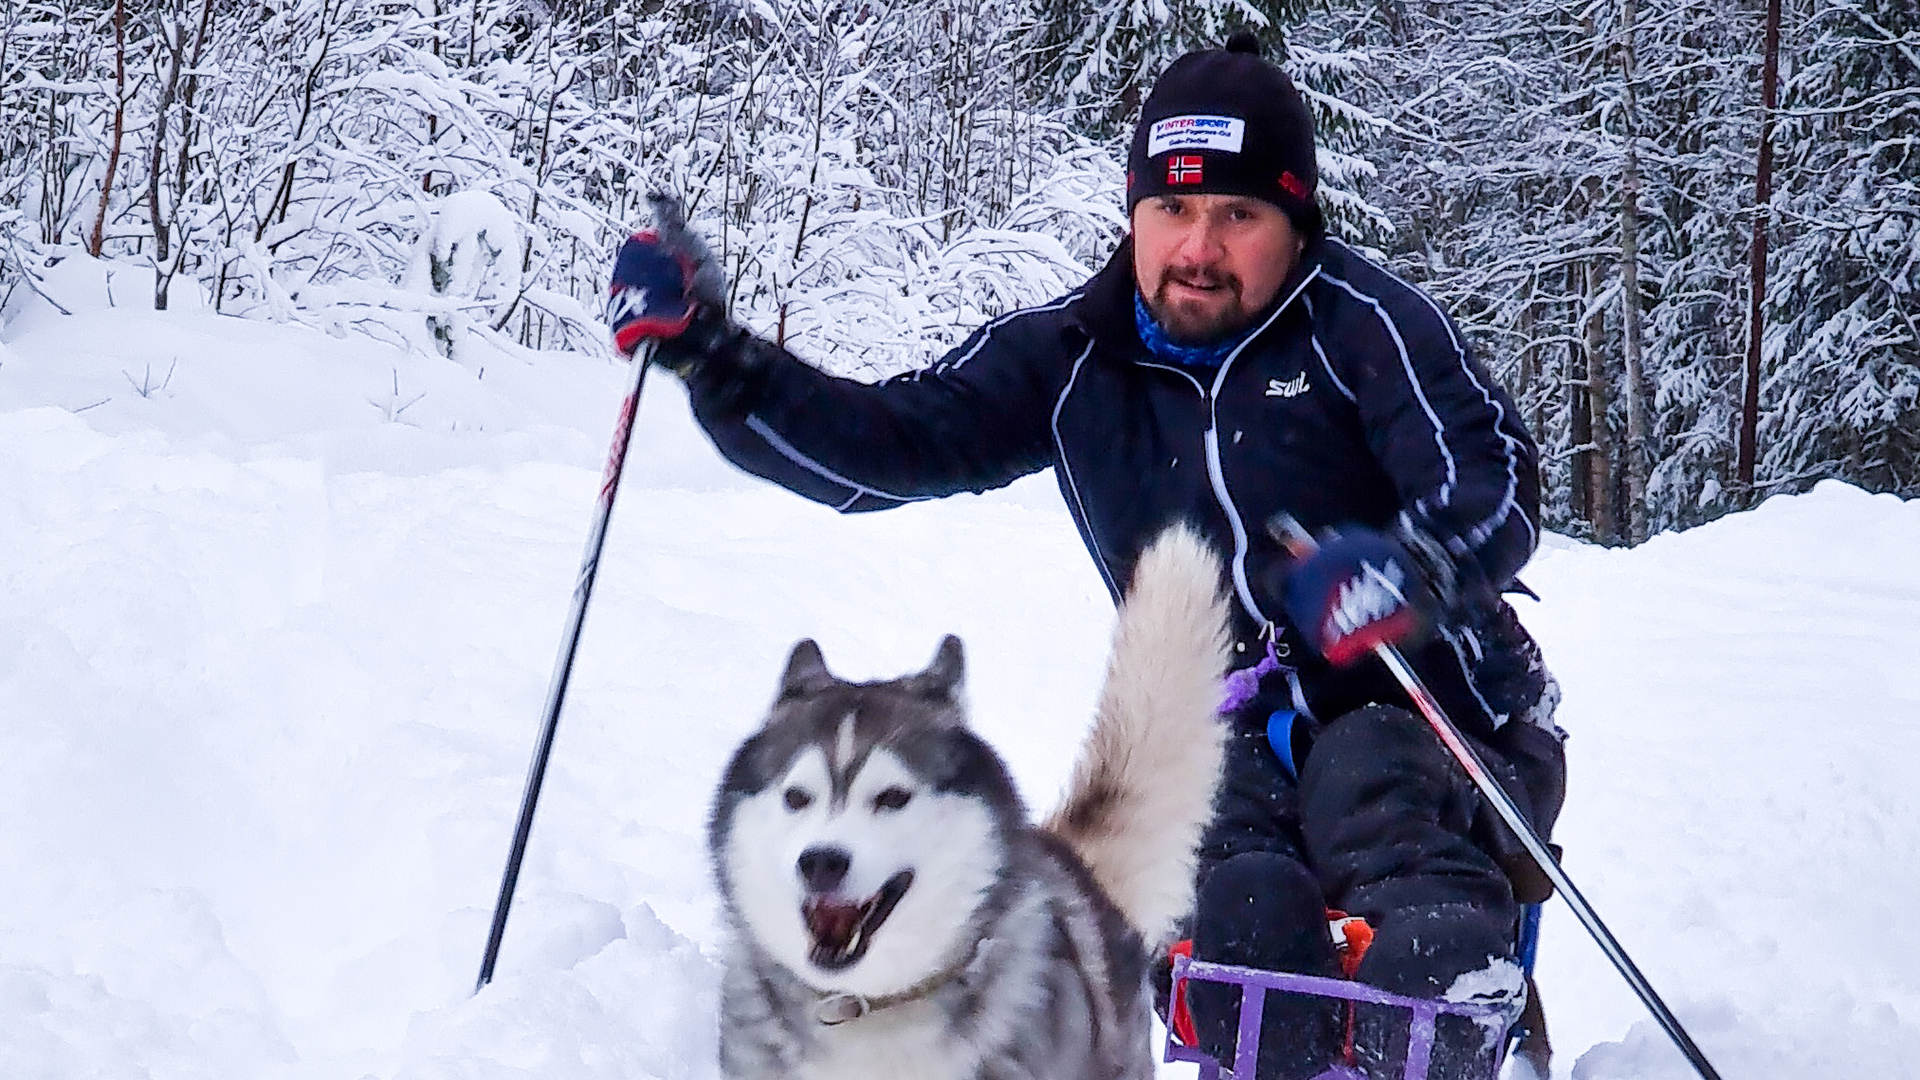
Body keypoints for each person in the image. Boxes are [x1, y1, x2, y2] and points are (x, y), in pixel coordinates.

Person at [609, 31, 1566, 1080]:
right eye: (1173, 209)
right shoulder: (1074, 359)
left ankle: (1442, 1016)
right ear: (1134, 214)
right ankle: (1262, 1039)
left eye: (1238, 215)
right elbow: (882, 448)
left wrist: (1413, 567)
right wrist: (712, 355)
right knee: (1226, 870)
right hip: (1230, 717)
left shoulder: (1365, 325)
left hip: (1430, 704)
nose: (1198, 247)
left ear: (1296, 224)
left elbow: (1495, 478)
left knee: (1366, 777)